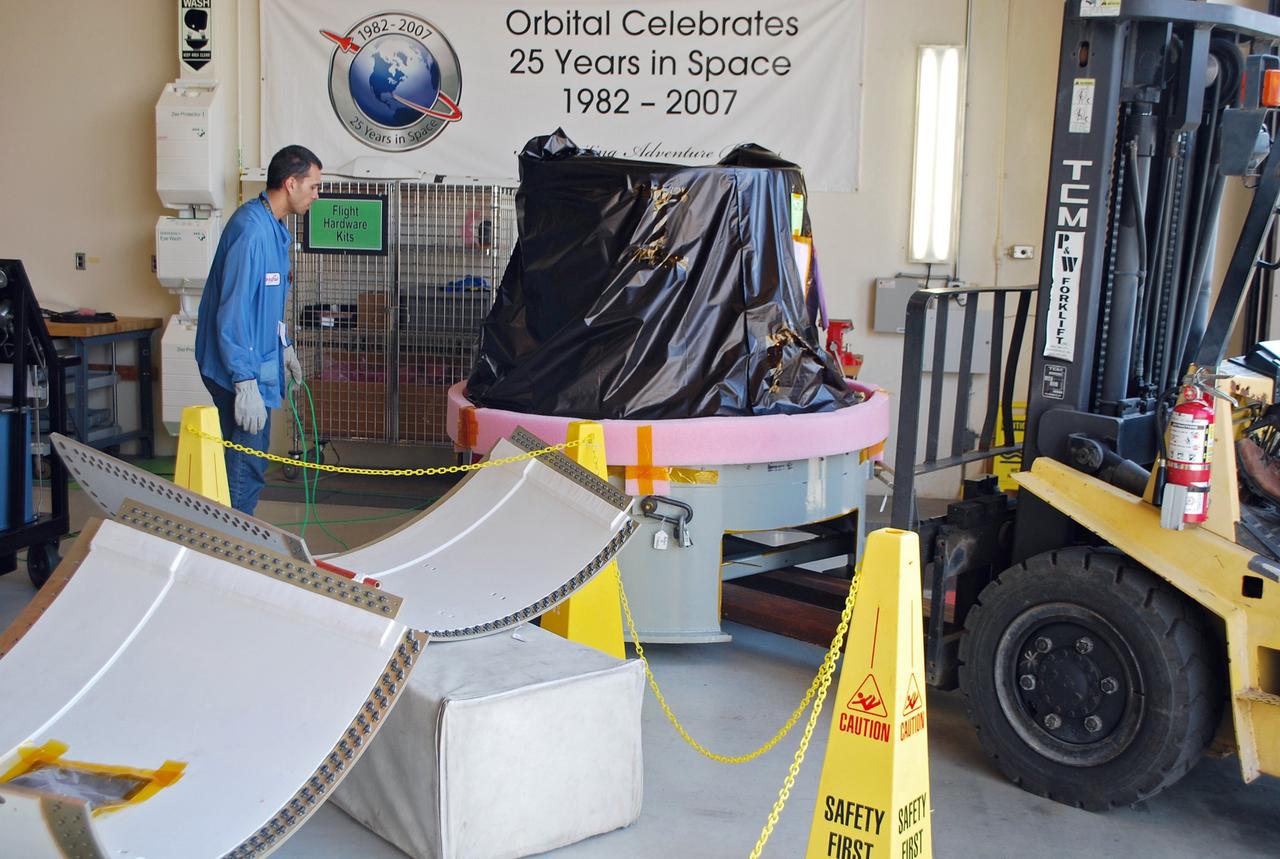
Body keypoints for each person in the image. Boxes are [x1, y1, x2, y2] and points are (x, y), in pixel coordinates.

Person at [195, 145, 322, 515]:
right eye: (313, 186)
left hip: (257, 360)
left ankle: (234, 531)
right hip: (236, 367)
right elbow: (232, 314)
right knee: (246, 462)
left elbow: (268, 307)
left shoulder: (276, 231)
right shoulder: (250, 232)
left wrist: (284, 345)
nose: (317, 194)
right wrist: (244, 382)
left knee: (250, 458)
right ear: (291, 183)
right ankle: (234, 541)